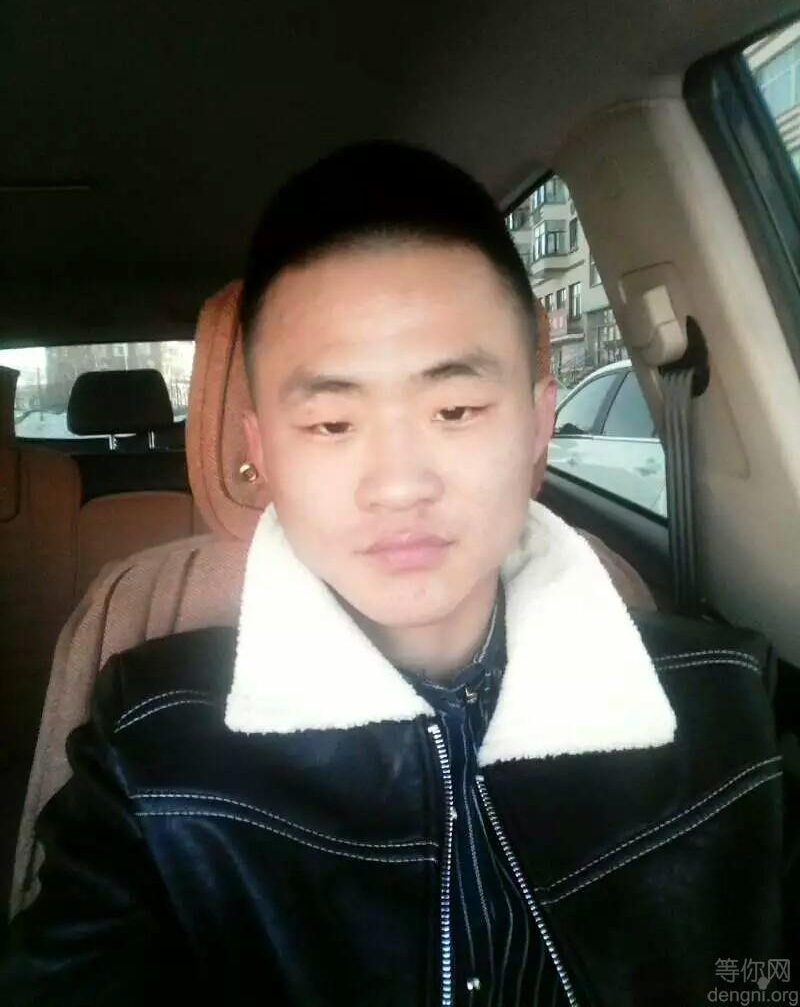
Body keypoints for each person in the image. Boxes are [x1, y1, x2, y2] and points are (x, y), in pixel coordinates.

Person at [0, 141, 786, 1005]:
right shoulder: (154, 746)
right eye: (332, 424)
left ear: (537, 427)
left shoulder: (728, 712)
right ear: (262, 454)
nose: (400, 484)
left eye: (456, 409)